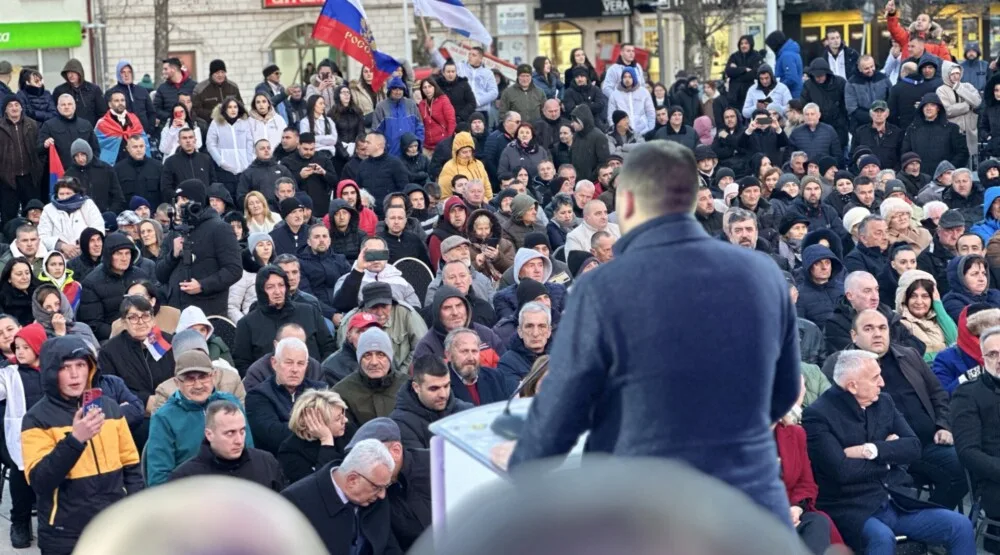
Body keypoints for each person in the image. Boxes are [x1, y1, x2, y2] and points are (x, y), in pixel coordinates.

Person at [507, 141, 800, 523]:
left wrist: (517, 473)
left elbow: (560, 416)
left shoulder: (602, 289)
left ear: (626, 204)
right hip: (753, 507)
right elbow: (783, 393)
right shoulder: (764, 274)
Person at [802, 348, 975, 553]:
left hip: (896, 500)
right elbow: (842, 471)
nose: (882, 383)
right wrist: (889, 458)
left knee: (960, 525)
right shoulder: (818, 416)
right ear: (853, 386)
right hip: (852, 508)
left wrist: (872, 449)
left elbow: (913, 447)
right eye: (875, 378)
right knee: (881, 538)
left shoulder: (883, 401)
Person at [21, 334, 143, 554]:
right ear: (51, 372)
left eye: (80, 365)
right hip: (64, 534)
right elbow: (40, 481)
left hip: (112, 527)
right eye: (65, 367)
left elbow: (131, 465)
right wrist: (75, 440)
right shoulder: (36, 418)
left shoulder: (109, 408)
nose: (75, 374)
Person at [847, 309, 967, 510]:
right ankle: (923, 519)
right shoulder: (845, 367)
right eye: (868, 329)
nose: (877, 333)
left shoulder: (909, 355)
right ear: (854, 335)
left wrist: (943, 425)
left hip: (930, 441)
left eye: (882, 328)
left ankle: (928, 516)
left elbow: (938, 393)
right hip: (889, 451)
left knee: (964, 465)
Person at [145, 350, 250, 486]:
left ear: (213, 376)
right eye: (190, 379)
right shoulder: (164, 417)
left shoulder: (230, 404)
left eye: (203, 376)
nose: (198, 385)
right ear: (177, 382)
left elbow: (249, 453)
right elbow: (159, 477)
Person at [280, 437, 402, 555]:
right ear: (352, 480)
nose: (382, 495)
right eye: (377, 488)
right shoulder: (296, 503)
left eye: (385, 486)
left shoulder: (374, 494)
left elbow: (388, 546)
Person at [156, 179, 242, 317]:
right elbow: (160, 275)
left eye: (184, 199)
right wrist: (173, 255)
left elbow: (234, 270)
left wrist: (202, 285)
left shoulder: (220, 228)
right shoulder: (174, 232)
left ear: (197, 201)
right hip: (176, 312)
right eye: (177, 200)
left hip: (208, 312)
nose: (179, 204)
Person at [951, 325, 1000, 552]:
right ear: (983, 359)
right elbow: (968, 453)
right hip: (992, 480)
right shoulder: (968, 394)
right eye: (993, 354)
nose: (999, 359)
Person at [167, 399, 284, 491]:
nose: (239, 440)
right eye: (230, 433)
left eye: (242, 431)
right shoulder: (185, 478)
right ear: (209, 434)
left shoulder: (266, 463)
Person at [245, 336, 325, 454]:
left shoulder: (320, 390)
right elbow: (274, 436)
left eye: (300, 364)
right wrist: (318, 429)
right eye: (289, 363)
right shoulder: (258, 395)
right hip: (277, 463)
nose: (295, 369)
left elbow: (335, 425)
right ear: (274, 363)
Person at [389, 355, 471, 450]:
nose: (443, 394)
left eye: (446, 386)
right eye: (434, 388)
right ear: (416, 387)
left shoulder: (466, 411)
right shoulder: (400, 424)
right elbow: (419, 463)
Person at [77, 232, 145, 341]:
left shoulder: (140, 275)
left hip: (144, 327)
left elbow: (153, 304)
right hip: (113, 337)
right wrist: (126, 332)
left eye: (127, 253)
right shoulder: (91, 283)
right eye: (119, 254)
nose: (124, 258)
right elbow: (94, 325)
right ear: (109, 256)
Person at [332, 327, 407, 426]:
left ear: (390, 357)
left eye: (380, 354)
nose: (374, 362)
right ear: (359, 359)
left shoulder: (408, 386)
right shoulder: (341, 393)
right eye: (367, 355)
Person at [278, 389, 352, 485]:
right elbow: (321, 484)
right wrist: (326, 441)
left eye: (343, 414)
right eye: (338, 418)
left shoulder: (347, 430)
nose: (345, 420)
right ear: (315, 422)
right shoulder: (290, 451)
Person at [901, 93, 969, 174]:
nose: (928, 108)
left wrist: (948, 170)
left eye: (932, 105)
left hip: (945, 177)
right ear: (921, 108)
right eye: (925, 105)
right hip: (919, 177)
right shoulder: (912, 129)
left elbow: (962, 153)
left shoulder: (952, 129)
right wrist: (914, 169)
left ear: (938, 108)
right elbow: (906, 153)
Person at [37, 177, 104, 259]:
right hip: (60, 258)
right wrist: (62, 246)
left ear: (76, 193)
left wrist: (83, 245)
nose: (65, 197)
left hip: (86, 254)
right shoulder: (48, 209)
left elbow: (98, 227)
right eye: (61, 194)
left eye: (68, 193)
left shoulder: (87, 204)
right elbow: (42, 236)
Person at [207, 97, 254, 196]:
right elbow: (211, 144)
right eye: (230, 107)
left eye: (235, 107)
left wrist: (249, 161)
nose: (233, 110)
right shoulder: (216, 123)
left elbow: (250, 142)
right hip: (225, 170)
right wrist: (220, 161)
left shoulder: (245, 122)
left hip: (244, 168)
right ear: (224, 109)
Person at [801, 59, 850, 150]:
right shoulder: (808, 85)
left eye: (821, 75)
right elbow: (804, 104)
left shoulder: (840, 82)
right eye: (816, 76)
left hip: (839, 125)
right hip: (817, 125)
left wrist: (844, 122)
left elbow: (846, 104)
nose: (819, 78)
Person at [937, 61, 981, 159]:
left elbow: (977, 102)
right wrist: (967, 106)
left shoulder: (967, 86)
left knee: (970, 160)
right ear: (946, 75)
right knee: (956, 158)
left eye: (958, 73)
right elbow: (947, 110)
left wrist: (960, 88)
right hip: (953, 131)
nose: (956, 76)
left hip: (970, 131)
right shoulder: (941, 90)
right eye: (952, 74)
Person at [942, 254, 1000, 321]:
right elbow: (975, 324)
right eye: (975, 274)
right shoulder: (952, 302)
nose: (982, 279)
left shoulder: (995, 294)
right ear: (960, 277)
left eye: (984, 273)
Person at [160, 127, 215, 196]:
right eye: (184, 138)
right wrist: (178, 198)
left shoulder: (206, 159)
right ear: (179, 141)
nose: (188, 141)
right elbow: (166, 187)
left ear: (195, 140)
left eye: (190, 137)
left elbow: (213, 183)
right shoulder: (170, 162)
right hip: (182, 204)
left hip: (205, 203)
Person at [52, 58, 106, 127]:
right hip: (67, 131)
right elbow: (54, 112)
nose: (71, 75)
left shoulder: (93, 89)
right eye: (68, 72)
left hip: (90, 130)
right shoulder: (59, 90)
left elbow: (102, 113)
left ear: (80, 73)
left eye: (74, 72)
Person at [726, 35, 764, 110]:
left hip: (749, 95)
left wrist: (736, 72)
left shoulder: (756, 57)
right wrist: (744, 69)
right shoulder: (734, 56)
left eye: (746, 43)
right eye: (741, 43)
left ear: (751, 44)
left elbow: (754, 74)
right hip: (734, 96)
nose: (743, 45)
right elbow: (729, 72)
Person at [765, 31, 803, 98]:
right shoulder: (788, 53)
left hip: (791, 95)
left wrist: (776, 88)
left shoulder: (787, 56)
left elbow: (791, 78)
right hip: (792, 93)